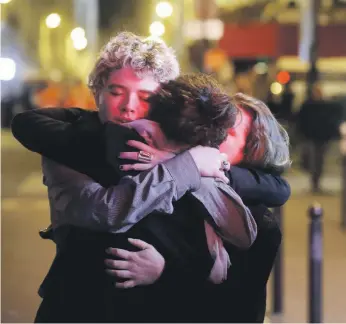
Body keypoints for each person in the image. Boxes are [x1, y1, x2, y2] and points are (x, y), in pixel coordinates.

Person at [12, 32, 290, 322]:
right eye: (116, 91)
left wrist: (166, 270)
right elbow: (105, 209)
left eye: (145, 97)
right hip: (79, 304)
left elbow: (230, 298)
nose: (129, 106)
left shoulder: (185, 148)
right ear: (98, 93)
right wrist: (185, 165)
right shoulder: (77, 142)